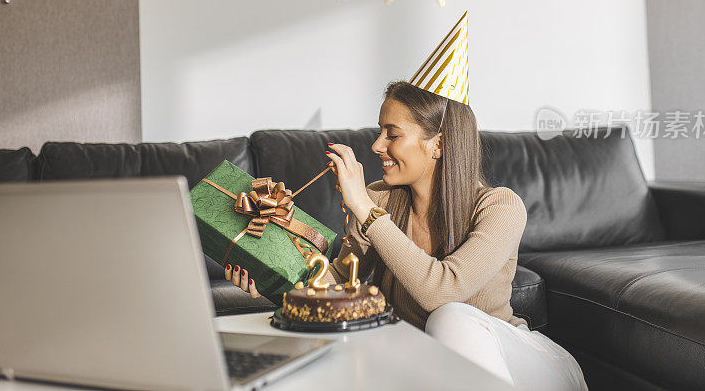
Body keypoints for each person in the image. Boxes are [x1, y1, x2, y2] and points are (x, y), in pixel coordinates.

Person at [227, 79, 588, 390]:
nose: (376, 146)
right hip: (434, 371)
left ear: (440, 145)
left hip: (526, 369)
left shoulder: (500, 207)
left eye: (393, 134)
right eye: (380, 131)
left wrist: (367, 212)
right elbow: (338, 287)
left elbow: (443, 292)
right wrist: (273, 281)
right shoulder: (379, 199)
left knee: (451, 318)